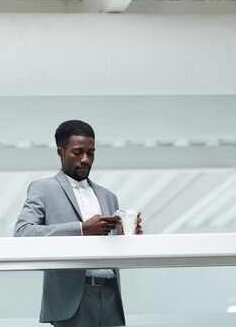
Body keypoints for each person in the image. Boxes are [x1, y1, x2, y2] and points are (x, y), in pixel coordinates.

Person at [14, 119, 143, 327]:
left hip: (110, 296)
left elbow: (112, 251)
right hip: (71, 299)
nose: (85, 159)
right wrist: (82, 229)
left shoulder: (109, 197)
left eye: (91, 152)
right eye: (78, 152)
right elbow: (23, 233)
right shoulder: (42, 189)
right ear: (60, 152)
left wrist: (126, 238)